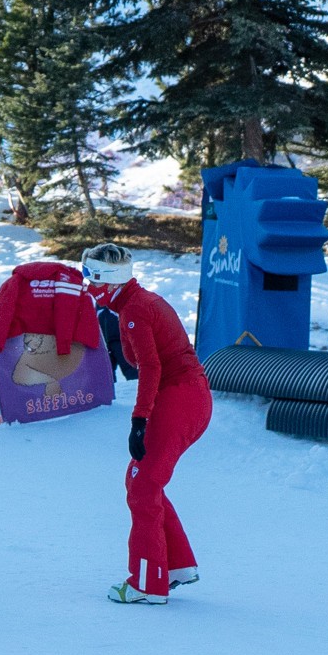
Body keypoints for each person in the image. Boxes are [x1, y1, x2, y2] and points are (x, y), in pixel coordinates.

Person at [81, 242, 212, 605]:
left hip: (181, 397)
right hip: (186, 395)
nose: (86, 284)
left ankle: (146, 583)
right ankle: (176, 566)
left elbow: (151, 367)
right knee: (141, 479)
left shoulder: (135, 310)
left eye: (91, 276)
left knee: (143, 485)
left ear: (109, 280)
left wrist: (139, 420)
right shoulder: (132, 305)